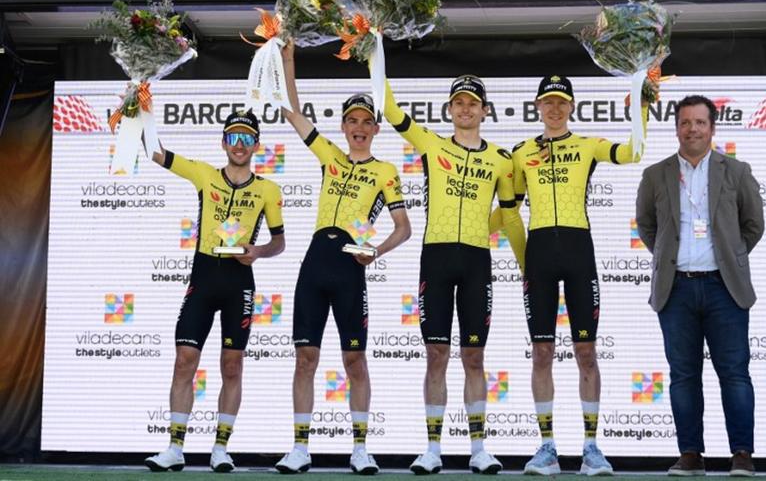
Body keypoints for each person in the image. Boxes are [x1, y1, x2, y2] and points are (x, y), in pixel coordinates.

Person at [490, 75, 648, 476]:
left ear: (572, 107)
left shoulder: (588, 145)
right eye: (548, 102)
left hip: (579, 252)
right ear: (537, 107)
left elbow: (633, 152)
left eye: (562, 102)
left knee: (586, 352)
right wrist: (474, 229)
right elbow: (510, 209)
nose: (555, 109)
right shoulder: (521, 153)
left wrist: (642, 103)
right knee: (542, 352)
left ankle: (592, 447)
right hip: (540, 254)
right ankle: (547, 447)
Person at [275, 42, 411, 475]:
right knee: (305, 358)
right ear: (344, 125)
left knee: (355, 360)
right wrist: (288, 58)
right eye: (352, 121)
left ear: (375, 129)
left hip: (351, 266)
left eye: (366, 122)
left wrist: (377, 251)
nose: (358, 127)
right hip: (316, 262)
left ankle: (360, 448)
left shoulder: (386, 171)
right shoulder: (329, 155)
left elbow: (403, 227)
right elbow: (291, 112)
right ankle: (299, 448)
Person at [383, 75, 526, 475]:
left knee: (475, 357)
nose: (466, 109)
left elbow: (511, 216)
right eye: (459, 102)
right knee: (436, 355)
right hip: (437, 259)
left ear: (485, 110)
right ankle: (432, 448)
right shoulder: (432, 143)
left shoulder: (501, 159)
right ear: (449, 109)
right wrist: (374, 46)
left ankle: (479, 448)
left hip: (478, 261)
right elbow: (391, 110)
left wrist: (526, 265)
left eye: (473, 103)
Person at [144, 110, 286, 473]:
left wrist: (258, 252)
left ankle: (221, 448)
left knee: (232, 366)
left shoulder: (268, 189)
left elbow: (279, 242)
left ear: (256, 145)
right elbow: (156, 152)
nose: (239, 145)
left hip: (239, 282)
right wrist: (138, 112)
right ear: (223, 142)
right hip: (204, 276)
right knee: (184, 359)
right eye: (233, 138)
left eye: (246, 139)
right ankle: (175, 446)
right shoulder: (205, 174)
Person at [635, 95, 764, 477]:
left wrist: (729, 256)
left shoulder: (737, 171)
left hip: (726, 289)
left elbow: (752, 226)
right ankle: (690, 454)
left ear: (712, 128)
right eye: (685, 122)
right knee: (683, 375)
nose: (692, 129)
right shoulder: (655, 174)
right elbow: (647, 226)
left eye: (700, 123)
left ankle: (741, 454)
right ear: (676, 127)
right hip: (676, 290)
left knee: (735, 373)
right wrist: (670, 257)